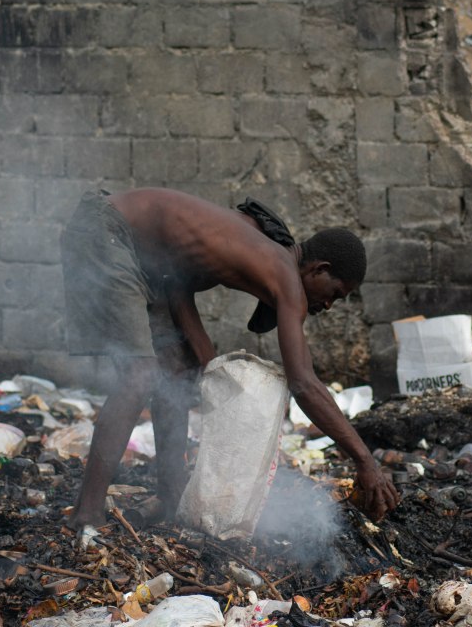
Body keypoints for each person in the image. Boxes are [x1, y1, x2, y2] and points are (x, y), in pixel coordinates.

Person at [59, 187, 400, 529]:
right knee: (140, 375)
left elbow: (178, 278)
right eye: (335, 295)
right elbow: (304, 383)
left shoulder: (257, 241)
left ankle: (171, 495)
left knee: (176, 371)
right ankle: (86, 512)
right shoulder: (286, 279)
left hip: (135, 251)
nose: (328, 306)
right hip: (108, 232)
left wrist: (203, 352)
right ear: (319, 269)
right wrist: (365, 461)